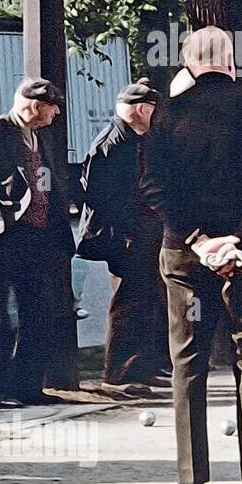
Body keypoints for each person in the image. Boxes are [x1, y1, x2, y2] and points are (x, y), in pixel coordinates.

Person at [139, 27, 242, 484]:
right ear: (231, 59)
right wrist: (236, 236)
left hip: (185, 252)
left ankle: (191, 478)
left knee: (187, 361)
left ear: (187, 61)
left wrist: (200, 240)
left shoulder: (167, 114)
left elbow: (153, 189)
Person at [77, 78, 171, 390]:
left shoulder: (135, 139)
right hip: (126, 235)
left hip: (144, 230)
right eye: (153, 109)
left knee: (146, 301)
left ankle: (142, 366)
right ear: (142, 109)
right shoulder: (113, 142)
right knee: (128, 303)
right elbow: (99, 195)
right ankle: (118, 372)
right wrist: (125, 232)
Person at [0, 78, 75, 406]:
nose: (54, 118)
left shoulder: (39, 138)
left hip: (37, 238)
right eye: (52, 111)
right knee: (2, 316)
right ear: (35, 107)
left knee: (39, 312)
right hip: (5, 237)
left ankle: (28, 386)